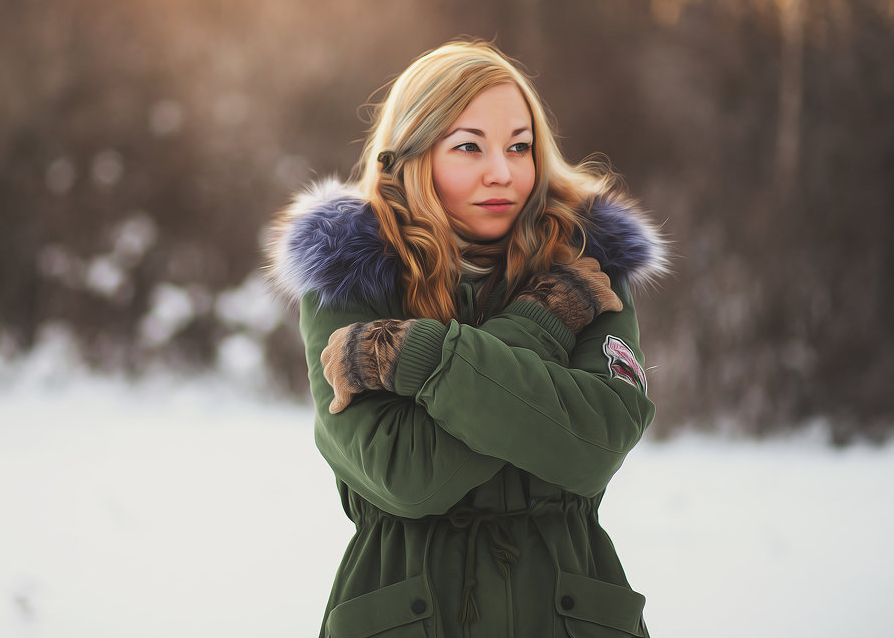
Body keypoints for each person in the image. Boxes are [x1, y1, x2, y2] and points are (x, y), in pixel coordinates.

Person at [266, 40, 668, 638]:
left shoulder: (588, 265)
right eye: (468, 147)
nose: (502, 172)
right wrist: (544, 322)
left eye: (519, 146)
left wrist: (425, 360)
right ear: (413, 156)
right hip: (407, 614)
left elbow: (595, 444)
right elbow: (408, 476)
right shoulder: (349, 278)